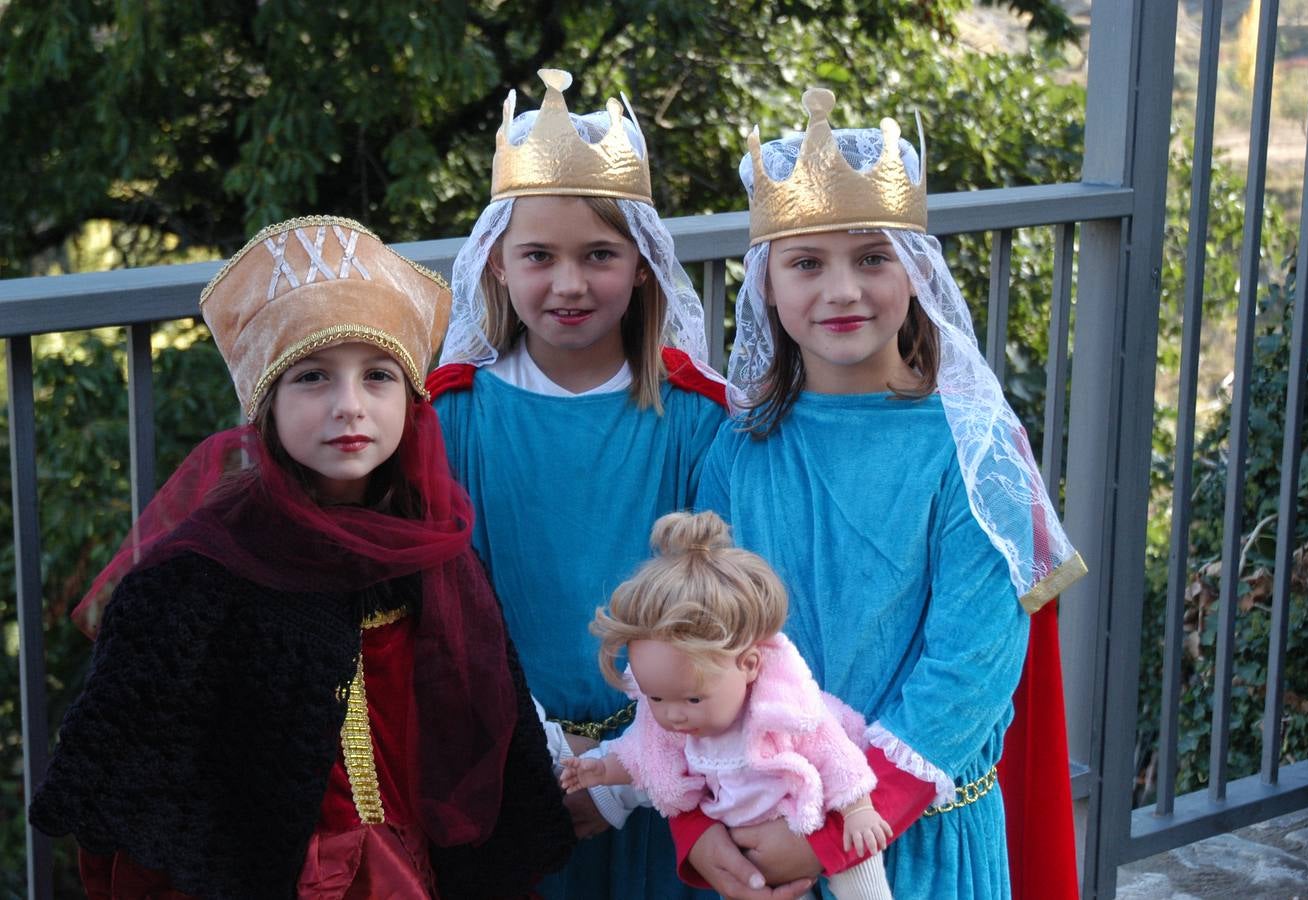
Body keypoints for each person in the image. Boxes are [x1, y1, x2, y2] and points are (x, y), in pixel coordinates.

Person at [28, 216, 575, 899]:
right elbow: (146, 812)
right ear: (266, 404)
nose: (350, 407)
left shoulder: (435, 556)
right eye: (313, 377)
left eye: (378, 376)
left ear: (411, 402)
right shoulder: (196, 578)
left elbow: (488, 763)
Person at [677, 89, 1087, 899]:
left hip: (919, 834)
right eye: (805, 262)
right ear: (765, 283)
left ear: (917, 271)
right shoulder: (739, 446)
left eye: (872, 257)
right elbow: (696, 635)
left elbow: (968, 667)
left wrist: (837, 833)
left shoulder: (972, 446)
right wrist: (697, 823)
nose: (841, 291)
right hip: (763, 829)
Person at [430, 70, 728, 899]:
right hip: (513, 765)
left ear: (641, 267)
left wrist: (627, 771)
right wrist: (546, 758)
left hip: (669, 765)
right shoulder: (452, 420)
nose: (569, 283)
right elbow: (454, 607)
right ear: (495, 264)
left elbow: (715, 603)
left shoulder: (698, 420)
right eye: (539, 256)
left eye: (599, 254)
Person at [561, 510, 895, 900]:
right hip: (746, 842)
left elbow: (836, 754)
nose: (672, 714)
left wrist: (857, 810)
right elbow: (641, 756)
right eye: (656, 698)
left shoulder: (785, 710)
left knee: (860, 870)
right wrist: (600, 768)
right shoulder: (671, 724)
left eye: (692, 698)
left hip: (812, 809)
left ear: (749, 665)